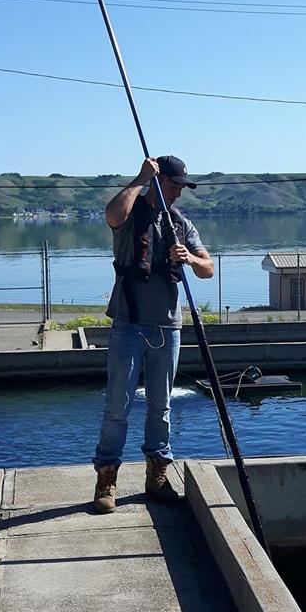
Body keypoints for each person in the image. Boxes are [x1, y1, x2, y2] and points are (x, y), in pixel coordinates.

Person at [92, 155, 214, 513]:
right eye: (174, 185)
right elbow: (112, 215)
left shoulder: (181, 224)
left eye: (181, 187)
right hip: (129, 323)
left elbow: (208, 268)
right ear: (158, 183)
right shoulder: (131, 217)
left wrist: (189, 260)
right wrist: (139, 179)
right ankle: (107, 478)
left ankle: (157, 475)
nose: (178, 193)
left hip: (167, 325)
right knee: (118, 404)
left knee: (161, 406)